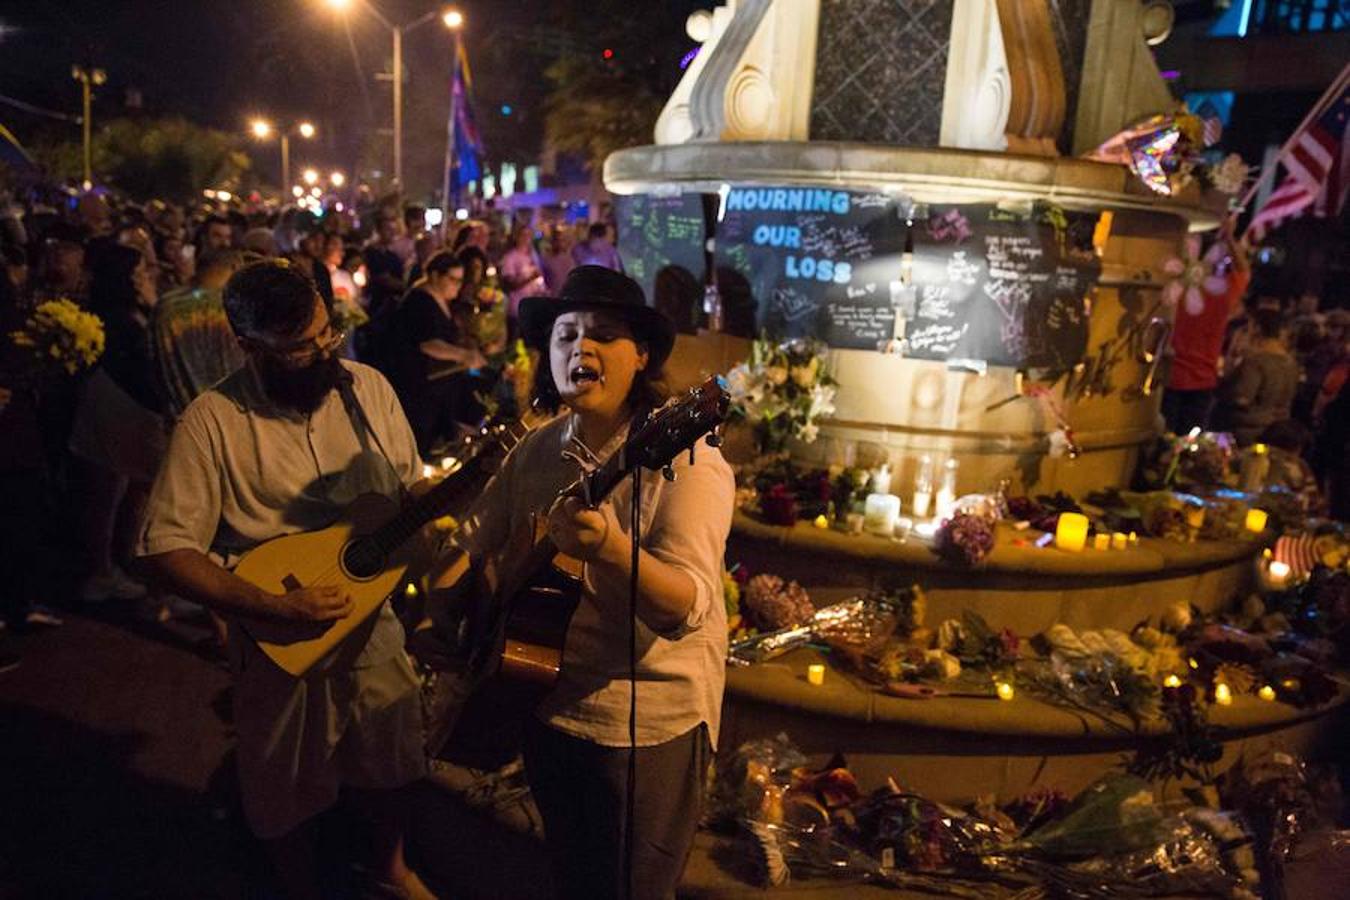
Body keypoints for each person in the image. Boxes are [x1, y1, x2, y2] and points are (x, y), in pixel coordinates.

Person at [135, 259, 436, 900]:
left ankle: (391, 869)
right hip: (277, 640)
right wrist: (269, 603)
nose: (325, 350)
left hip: (371, 621)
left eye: (328, 333)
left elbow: (409, 484)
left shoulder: (369, 389)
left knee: (392, 755)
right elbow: (165, 547)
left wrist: (438, 503)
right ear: (248, 345)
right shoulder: (210, 422)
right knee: (282, 785)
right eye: (301, 347)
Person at [431, 265, 734, 900]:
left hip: (645, 722)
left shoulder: (687, 461)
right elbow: (473, 537)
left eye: (603, 335)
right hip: (542, 694)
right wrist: (453, 604)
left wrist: (613, 550)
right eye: (566, 334)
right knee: (573, 875)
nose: (579, 348)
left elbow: (689, 609)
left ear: (642, 355)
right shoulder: (540, 449)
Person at [392, 250, 487, 454]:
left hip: (436, 382)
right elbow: (429, 344)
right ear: (435, 275)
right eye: (453, 279)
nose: (458, 285)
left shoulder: (440, 299)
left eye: (461, 280)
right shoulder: (421, 300)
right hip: (418, 385)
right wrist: (465, 356)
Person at [1162, 229, 1249, 435]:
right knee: (1187, 445)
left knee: (1160, 438)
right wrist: (1229, 236)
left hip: (1168, 376)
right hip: (1202, 380)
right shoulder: (1223, 293)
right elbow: (1243, 270)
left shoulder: (1174, 289)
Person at [152, 248, 249, 419]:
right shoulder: (231, 308)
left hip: (182, 419)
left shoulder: (164, 306)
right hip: (229, 416)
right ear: (235, 267)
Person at [1213, 307, 1299, 445]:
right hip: (1276, 429)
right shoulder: (1290, 362)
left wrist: (1223, 382)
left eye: (1249, 327)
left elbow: (1241, 398)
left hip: (1246, 431)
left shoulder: (1255, 361)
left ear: (1257, 328)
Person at [498, 225, 547, 322]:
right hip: (517, 309)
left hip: (533, 308)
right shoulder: (510, 257)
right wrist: (531, 278)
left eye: (529, 235)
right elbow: (511, 284)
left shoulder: (534, 256)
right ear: (516, 237)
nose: (526, 238)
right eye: (523, 235)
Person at [541, 224, 576, 293]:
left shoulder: (571, 260)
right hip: (553, 297)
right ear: (552, 242)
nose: (559, 243)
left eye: (562, 240)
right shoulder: (546, 260)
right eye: (556, 240)